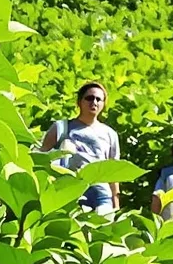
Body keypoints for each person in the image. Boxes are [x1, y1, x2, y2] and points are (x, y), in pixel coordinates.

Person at [39, 80, 122, 213]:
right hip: (71, 188)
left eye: (98, 99)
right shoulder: (61, 127)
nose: (94, 102)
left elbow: (113, 171)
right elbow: (42, 158)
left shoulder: (110, 134)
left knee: (102, 229)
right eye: (89, 98)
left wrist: (116, 203)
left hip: (101, 193)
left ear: (103, 104)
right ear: (79, 102)